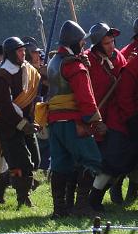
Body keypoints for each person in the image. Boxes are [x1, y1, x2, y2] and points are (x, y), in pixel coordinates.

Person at [46, 21, 107, 218]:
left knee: (61, 164)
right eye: (81, 43)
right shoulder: (74, 65)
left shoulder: (55, 61)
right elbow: (85, 96)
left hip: (55, 121)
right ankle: (81, 206)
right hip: (73, 121)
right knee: (92, 159)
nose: (83, 45)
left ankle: (60, 208)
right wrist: (95, 121)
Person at [99, 28, 138, 206]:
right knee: (114, 163)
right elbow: (124, 98)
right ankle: (94, 198)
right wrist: (132, 120)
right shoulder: (134, 66)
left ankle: (132, 194)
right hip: (121, 121)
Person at [0, 37, 41, 208]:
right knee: (22, 163)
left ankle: (0, 183)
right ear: (10, 54)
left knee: (35, 160)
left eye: (23, 50)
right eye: (19, 51)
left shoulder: (28, 69)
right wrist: (23, 125)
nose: (23, 53)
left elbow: (34, 93)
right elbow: (4, 107)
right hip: (5, 123)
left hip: (24, 121)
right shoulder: (2, 76)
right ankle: (23, 198)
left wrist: (30, 122)